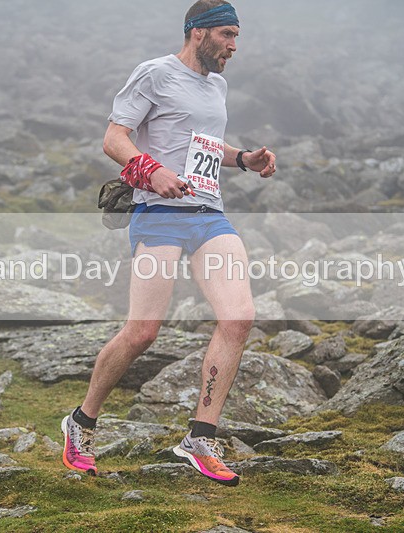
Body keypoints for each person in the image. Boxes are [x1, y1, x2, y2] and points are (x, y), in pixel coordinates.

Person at [61, 0, 276, 487]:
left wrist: (243, 158)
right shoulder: (154, 74)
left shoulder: (216, 85)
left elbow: (201, 143)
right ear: (197, 32)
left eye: (237, 36)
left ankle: (200, 436)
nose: (234, 46)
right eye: (226, 34)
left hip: (208, 216)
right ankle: (82, 421)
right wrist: (151, 171)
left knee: (238, 317)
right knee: (142, 334)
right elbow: (114, 138)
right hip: (158, 217)